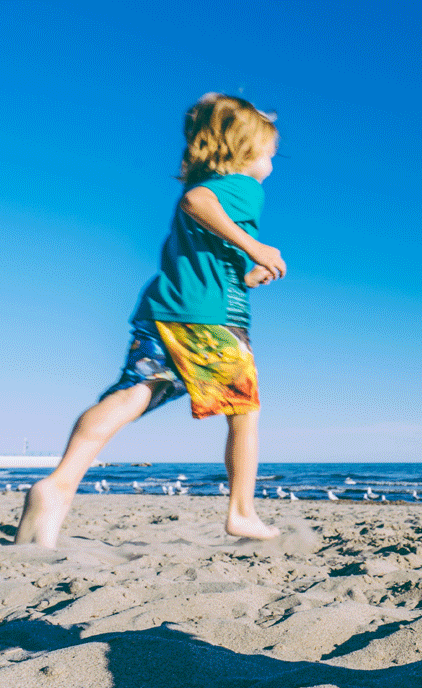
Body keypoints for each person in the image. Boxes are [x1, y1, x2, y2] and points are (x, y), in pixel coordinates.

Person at [15, 93, 286, 548]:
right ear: (245, 151)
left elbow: (204, 252)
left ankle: (59, 482)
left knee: (133, 393)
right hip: (210, 320)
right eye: (270, 153)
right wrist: (257, 248)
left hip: (166, 310)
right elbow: (198, 203)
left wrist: (248, 271)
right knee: (244, 413)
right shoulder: (241, 187)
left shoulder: (208, 192)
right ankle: (241, 512)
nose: (272, 164)